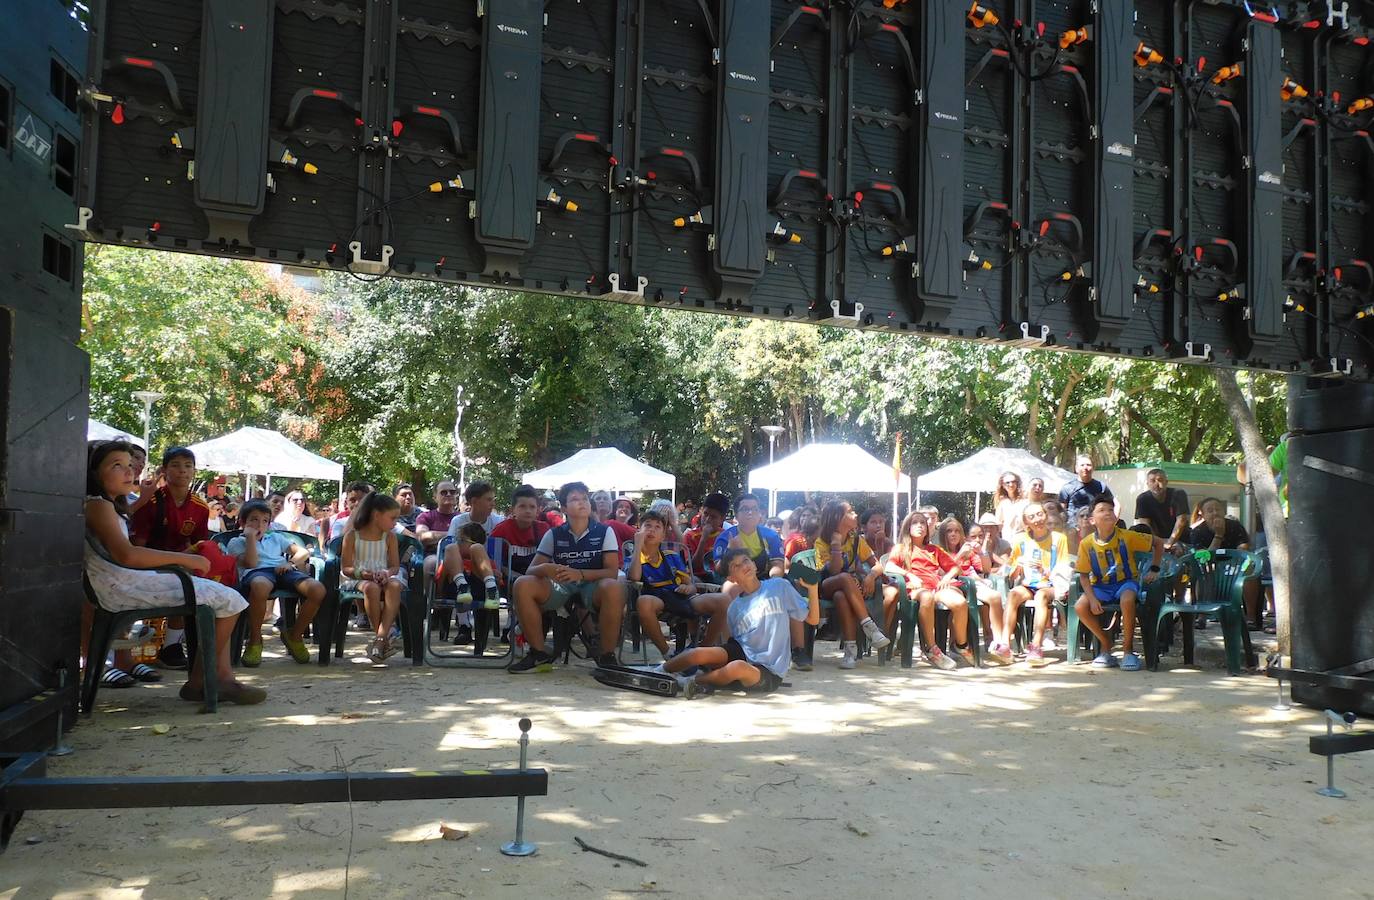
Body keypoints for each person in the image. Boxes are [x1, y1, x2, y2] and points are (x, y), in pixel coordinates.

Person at [84, 441, 265, 705]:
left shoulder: (108, 505)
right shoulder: (99, 505)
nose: (128, 472)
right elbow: (128, 554)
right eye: (116, 465)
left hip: (124, 581)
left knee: (225, 597)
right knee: (231, 600)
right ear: (95, 472)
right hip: (120, 586)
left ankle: (217, 678)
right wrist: (185, 559)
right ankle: (205, 680)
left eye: (129, 465)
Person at [660, 548, 820, 698]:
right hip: (742, 651)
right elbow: (733, 642)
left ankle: (693, 682)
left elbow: (813, 619)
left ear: (754, 564)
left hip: (769, 669)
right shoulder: (734, 607)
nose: (743, 565)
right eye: (736, 566)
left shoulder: (779, 586)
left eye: (745, 560)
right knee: (698, 653)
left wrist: (813, 589)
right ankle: (659, 670)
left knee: (737, 667)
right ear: (731, 578)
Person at [507, 481, 623, 673]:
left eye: (585, 498)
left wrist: (580, 574)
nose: (582, 503)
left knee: (613, 586)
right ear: (563, 508)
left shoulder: (604, 531)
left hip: (592, 587)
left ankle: (607, 656)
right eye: (575, 499)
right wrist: (546, 568)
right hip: (561, 586)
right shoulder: (554, 534)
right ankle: (538, 653)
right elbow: (531, 570)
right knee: (523, 584)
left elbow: (612, 571)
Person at [130, 446, 220, 669]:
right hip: (147, 564)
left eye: (188, 466)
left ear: (194, 472)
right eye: (176, 465)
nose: (182, 471)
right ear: (164, 471)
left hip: (182, 564)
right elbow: (138, 545)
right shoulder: (149, 501)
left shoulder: (200, 507)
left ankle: (172, 647)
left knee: (196, 583)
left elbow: (200, 545)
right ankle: (133, 650)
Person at [226, 500, 327, 666]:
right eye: (254, 520)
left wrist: (290, 564)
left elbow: (302, 552)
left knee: (317, 589)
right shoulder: (236, 542)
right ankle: (255, 640)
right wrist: (250, 538)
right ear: (243, 522)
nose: (260, 525)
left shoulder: (276, 538)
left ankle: (294, 636)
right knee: (260, 586)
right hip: (256, 573)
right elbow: (251, 563)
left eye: (265, 521)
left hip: (283, 570)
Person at [1074, 498, 1163, 671]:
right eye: (1101, 510)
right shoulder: (1086, 544)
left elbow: (1158, 543)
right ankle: (1106, 644)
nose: (1107, 512)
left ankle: (1128, 651)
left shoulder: (1127, 536)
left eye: (1110, 509)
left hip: (1125, 583)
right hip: (1101, 586)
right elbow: (1083, 576)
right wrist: (1092, 599)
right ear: (1092, 520)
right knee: (1080, 606)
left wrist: (1154, 568)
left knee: (1127, 600)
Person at [629, 509, 729, 657]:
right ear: (639, 531)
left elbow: (691, 586)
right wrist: (637, 546)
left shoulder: (671, 556)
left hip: (679, 597)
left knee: (724, 600)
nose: (652, 530)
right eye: (648, 526)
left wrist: (688, 588)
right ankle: (667, 653)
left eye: (657, 527)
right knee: (643, 602)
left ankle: (702, 651)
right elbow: (634, 577)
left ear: (663, 535)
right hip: (656, 599)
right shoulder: (635, 558)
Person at [884, 511, 968, 670]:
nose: (920, 526)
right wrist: (909, 574)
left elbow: (955, 568)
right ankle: (931, 648)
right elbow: (889, 566)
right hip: (914, 589)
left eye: (923, 523)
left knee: (960, 602)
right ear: (908, 527)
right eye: (915, 523)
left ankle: (961, 645)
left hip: (936, 586)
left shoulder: (934, 550)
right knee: (927, 596)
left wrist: (946, 578)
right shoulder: (901, 548)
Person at [813, 500, 891, 669]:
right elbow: (834, 571)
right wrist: (835, 546)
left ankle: (850, 651)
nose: (855, 514)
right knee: (844, 578)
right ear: (837, 518)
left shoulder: (856, 539)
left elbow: (877, 565)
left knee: (841, 596)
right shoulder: (822, 541)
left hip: (845, 589)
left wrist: (870, 577)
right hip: (825, 586)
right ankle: (869, 627)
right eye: (850, 512)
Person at [992, 502, 1070, 666]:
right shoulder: (1021, 540)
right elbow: (1012, 574)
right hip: (1029, 584)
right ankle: (1005, 644)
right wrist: (1018, 566)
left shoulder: (1059, 539)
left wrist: (1044, 570)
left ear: (1046, 515)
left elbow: (1062, 571)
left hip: (1050, 584)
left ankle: (1036, 646)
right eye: (1032, 517)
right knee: (1013, 594)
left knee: (1041, 595)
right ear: (1026, 522)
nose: (1037, 519)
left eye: (1040, 514)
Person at [340, 491, 407, 663]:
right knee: (371, 588)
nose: (395, 523)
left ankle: (380, 638)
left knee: (393, 585)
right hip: (358, 578)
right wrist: (364, 574)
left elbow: (394, 566)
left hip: (382, 576)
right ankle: (382, 639)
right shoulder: (352, 536)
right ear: (377, 515)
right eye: (392, 518)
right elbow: (346, 568)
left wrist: (386, 573)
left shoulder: (389, 537)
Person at [938, 516, 1005, 660]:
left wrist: (981, 552)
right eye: (949, 531)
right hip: (950, 586)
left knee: (995, 596)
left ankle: (999, 642)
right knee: (958, 602)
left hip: (971, 585)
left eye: (957, 531)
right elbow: (942, 574)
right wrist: (960, 555)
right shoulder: (937, 550)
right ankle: (955, 644)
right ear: (943, 534)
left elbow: (986, 569)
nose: (953, 534)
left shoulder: (969, 550)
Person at [1191, 497, 1262, 629]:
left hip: (1234, 565)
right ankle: (1202, 616)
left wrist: (1235, 560)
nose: (1215, 513)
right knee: (1203, 572)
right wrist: (1218, 535)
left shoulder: (1235, 526)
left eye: (1218, 509)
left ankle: (1250, 617)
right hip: (1211, 567)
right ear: (1203, 514)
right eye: (1210, 510)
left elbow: (1244, 547)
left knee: (1250, 570)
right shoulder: (1197, 531)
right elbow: (1204, 557)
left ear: (1223, 511)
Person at [488, 484, 552, 581]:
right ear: (512, 510)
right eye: (522, 506)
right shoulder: (502, 529)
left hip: (538, 580)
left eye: (532, 507)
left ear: (538, 511)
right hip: (508, 581)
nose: (528, 511)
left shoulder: (544, 529)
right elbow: (492, 560)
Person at [1134, 468, 1190, 554]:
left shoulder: (1178, 494)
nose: (1157, 484)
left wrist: (1170, 542)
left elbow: (1182, 520)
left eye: (1160, 480)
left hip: (1181, 539)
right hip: (1156, 539)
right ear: (1147, 484)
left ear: (1166, 482)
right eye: (1152, 481)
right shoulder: (1142, 499)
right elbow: (1145, 525)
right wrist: (1158, 543)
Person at [1058, 455, 1114, 539]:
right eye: (1082, 465)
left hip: (1095, 532)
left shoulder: (1101, 487)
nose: (1085, 468)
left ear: (1093, 468)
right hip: (1073, 534)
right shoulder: (1067, 488)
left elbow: (1115, 505)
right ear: (1076, 469)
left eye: (1088, 465)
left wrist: (1111, 523)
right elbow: (1061, 512)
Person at [416, 480, 460, 585]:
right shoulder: (425, 517)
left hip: (460, 555)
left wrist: (437, 537)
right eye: (444, 492)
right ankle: (429, 601)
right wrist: (453, 535)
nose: (449, 494)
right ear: (435, 497)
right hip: (434, 555)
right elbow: (423, 537)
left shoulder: (462, 518)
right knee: (430, 564)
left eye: (452, 492)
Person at [683, 492, 728, 581]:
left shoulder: (726, 536)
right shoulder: (690, 535)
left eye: (713, 517)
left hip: (721, 578)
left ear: (722, 519)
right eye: (705, 514)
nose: (707, 519)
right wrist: (703, 539)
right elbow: (693, 567)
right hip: (699, 578)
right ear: (702, 511)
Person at [994, 471, 1029, 539]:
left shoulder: (1025, 501)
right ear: (1003, 485)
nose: (1011, 484)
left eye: (1013, 481)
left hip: (1024, 538)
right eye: (1007, 482)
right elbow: (999, 525)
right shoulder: (1002, 503)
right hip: (1008, 539)